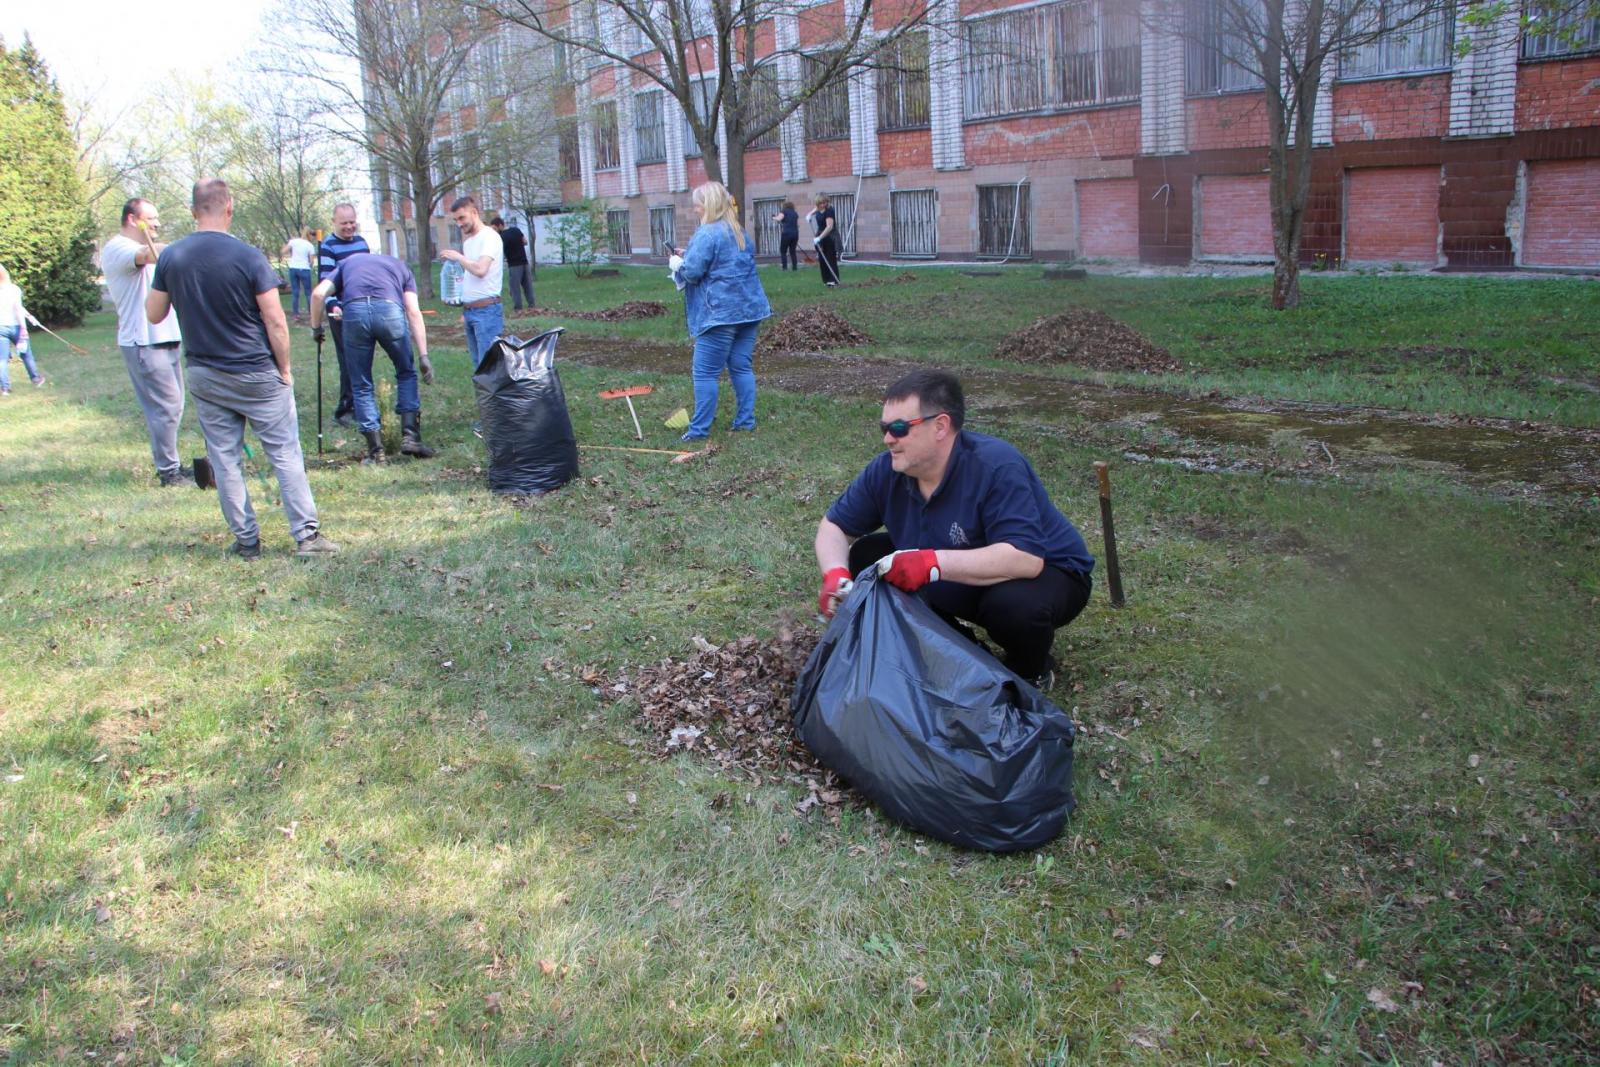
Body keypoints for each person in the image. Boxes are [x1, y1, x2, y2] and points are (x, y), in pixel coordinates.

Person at [814, 370, 1093, 689]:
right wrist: (835, 573)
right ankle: (965, 651)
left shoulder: (996, 466)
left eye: (900, 428)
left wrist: (930, 563)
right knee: (865, 556)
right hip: (957, 567)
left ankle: (1030, 670)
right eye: (884, 428)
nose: (888, 438)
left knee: (1014, 607)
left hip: (1049, 573)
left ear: (940, 426)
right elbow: (834, 527)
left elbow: (1026, 558)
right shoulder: (887, 470)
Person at [147, 178, 338, 560]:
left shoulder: (171, 256)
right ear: (229, 207)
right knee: (284, 453)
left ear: (193, 211)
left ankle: (247, 541)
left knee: (225, 458)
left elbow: (154, 314)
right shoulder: (249, 256)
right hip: (255, 371)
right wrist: (284, 369)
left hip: (205, 373)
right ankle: (307, 537)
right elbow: (275, 320)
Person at [667, 181, 772, 442]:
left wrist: (678, 262)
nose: (694, 209)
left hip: (719, 314)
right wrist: (688, 254)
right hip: (749, 311)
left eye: (697, 203)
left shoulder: (707, 233)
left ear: (709, 204)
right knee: (741, 367)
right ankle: (745, 421)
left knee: (705, 373)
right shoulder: (738, 231)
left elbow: (692, 273)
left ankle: (699, 430)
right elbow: (721, 261)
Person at [310, 253, 436, 463]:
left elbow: (318, 295)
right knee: (406, 372)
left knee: (361, 383)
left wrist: (316, 328)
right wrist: (423, 355)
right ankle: (411, 437)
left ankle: (376, 452)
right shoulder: (401, 267)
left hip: (355, 312)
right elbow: (413, 311)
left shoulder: (345, 264)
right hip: (390, 311)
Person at [102, 198, 189, 485]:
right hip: (143, 341)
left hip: (166, 337)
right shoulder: (119, 248)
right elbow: (148, 255)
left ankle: (171, 465)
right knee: (165, 407)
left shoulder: (143, 249)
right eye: (151, 218)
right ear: (132, 219)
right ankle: (169, 472)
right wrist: (189, 247)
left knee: (174, 405)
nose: (157, 224)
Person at [318, 204, 371, 426]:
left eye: (352, 222)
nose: (349, 227)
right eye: (344, 223)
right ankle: (346, 408)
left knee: (362, 358)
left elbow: (368, 273)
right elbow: (325, 280)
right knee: (348, 359)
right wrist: (332, 305)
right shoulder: (328, 245)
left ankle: (362, 404)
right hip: (340, 309)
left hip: (362, 307)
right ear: (334, 222)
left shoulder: (361, 243)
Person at [438, 195, 504, 375]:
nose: (459, 223)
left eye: (462, 218)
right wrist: (460, 302)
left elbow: (481, 269)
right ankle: (486, 403)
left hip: (487, 312)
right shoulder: (469, 243)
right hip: (471, 312)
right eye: (456, 220)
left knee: (490, 370)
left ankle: (496, 404)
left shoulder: (490, 237)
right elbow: (470, 275)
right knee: (479, 369)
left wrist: (458, 257)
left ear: (474, 213)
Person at [0, 264, 45, 395]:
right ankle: (35, 379)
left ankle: (5, 388)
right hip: (15, 326)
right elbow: (17, 309)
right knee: (26, 354)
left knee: (1, 359)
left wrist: (29, 316)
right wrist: (24, 328)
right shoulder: (13, 289)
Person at [491, 216, 534, 311]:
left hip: (514, 265)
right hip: (524, 262)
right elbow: (525, 242)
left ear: (500, 225)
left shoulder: (501, 237)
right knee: (528, 285)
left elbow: (498, 250)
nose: (494, 231)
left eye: (494, 228)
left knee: (515, 288)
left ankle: (518, 308)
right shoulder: (516, 230)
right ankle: (532, 305)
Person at [281, 228, 317, 322]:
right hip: (304, 269)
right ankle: (311, 314)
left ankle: (295, 315)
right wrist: (309, 264)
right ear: (310, 235)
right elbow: (312, 261)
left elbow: (283, 251)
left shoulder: (293, 241)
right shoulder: (310, 245)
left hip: (293, 268)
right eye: (313, 236)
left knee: (295, 293)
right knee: (308, 293)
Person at [807, 194, 841, 287]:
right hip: (821, 236)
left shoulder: (829, 210)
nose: (823, 205)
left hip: (829, 236)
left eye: (825, 202)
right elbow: (815, 210)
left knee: (830, 258)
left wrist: (819, 238)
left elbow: (829, 227)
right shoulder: (818, 208)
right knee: (822, 259)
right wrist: (809, 215)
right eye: (821, 203)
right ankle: (826, 280)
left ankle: (834, 280)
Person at [772, 200, 800, 271]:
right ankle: (795, 267)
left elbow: (779, 218)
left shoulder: (784, 211)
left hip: (786, 234)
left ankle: (784, 268)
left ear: (785, 206)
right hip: (795, 234)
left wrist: (774, 217)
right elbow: (796, 224)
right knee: (792, 251)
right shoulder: (795, 213)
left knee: (783, 251)